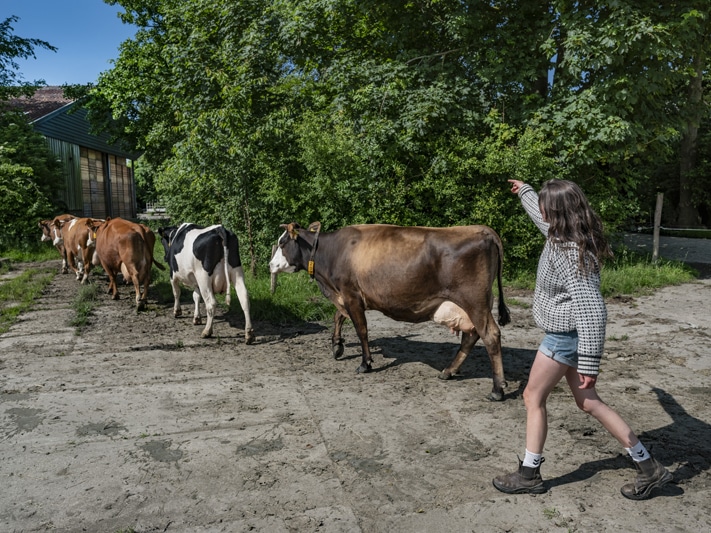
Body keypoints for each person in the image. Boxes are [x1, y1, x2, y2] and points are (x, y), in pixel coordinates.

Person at [492, 179, 672, 500]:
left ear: (557, 211)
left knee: (532, 397)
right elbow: (538, 213)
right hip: (567, 336)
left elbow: (592, 310)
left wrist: (589, 361)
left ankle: (529, 474)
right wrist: (527, 192)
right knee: (588, 402)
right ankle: (649, 467)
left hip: (565, 338)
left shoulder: (568, 251)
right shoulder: (561, 233)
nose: (542, 209)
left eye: (546, 203)